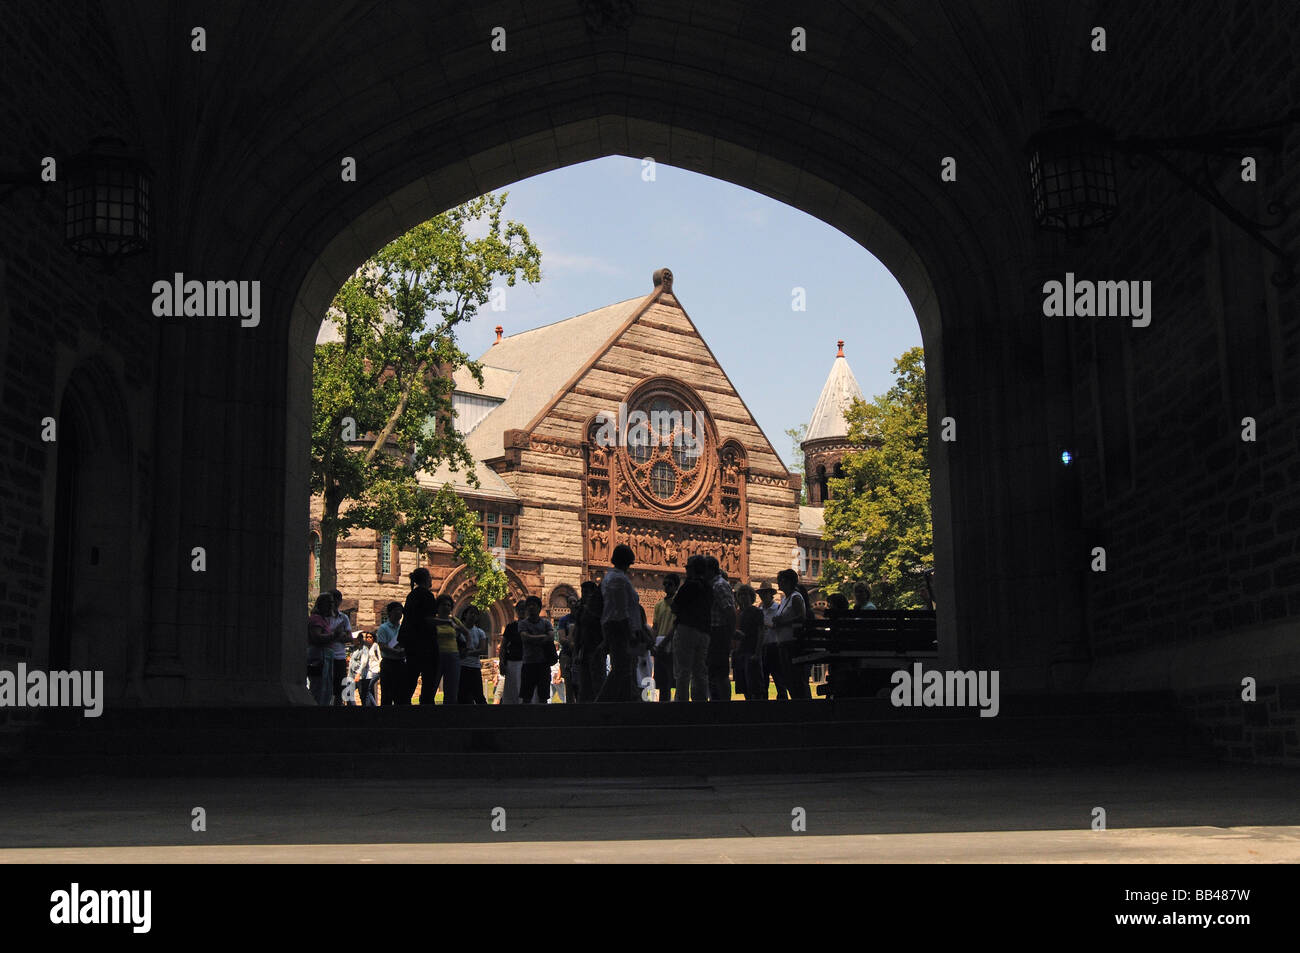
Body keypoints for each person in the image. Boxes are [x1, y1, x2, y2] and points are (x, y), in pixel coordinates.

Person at [596, 544, 640, 702]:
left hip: (614, 626)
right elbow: (620, 609)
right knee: (622, 668)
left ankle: (626, 700)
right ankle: (602, 701)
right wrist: (630, 632)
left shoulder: (611, 577)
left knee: (624, 669)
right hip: (619, 627)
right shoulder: (618, 579)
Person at [669, 556, 711, 702]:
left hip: (687, 629)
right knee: (700, 671)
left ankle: (682, 704)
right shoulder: (709, 587)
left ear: (693, 569)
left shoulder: (690, 585)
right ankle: (700, 702)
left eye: (688, 567)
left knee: (683, 670)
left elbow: (674, 606)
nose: (686, 570)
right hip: (704, 631)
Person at [397, 568, 441, 706]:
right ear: (426, 579)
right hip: (424, 643)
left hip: (411, 643)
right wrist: (447, 622)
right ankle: (425, 706)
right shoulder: (426, 596)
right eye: (429, 577)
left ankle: (403, 705)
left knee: (411, 676)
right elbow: (427, 620)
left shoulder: (412, 595)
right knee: (428, 678)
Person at [765, 569, 808, 700]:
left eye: (780, 580)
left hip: (792, 643)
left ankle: (802, 703)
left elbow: (801, 617)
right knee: (787, 677)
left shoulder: (795, 597)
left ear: (788, 581)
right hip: (782, 642)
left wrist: (783, 623)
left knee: (795, 677)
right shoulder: (785, 599)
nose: (778, 583)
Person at [426, 594, 469, 705]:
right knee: (431, 688)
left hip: (453, 656)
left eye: (449, 605)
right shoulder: (434, 620)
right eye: (443, 605)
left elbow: (467, 634)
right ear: (438, 606)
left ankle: (449, 716)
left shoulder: (454, 620)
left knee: (452, 690)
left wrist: (466, 650)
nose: (446, 607)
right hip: (436, 656)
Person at [704, 556, 736, 701]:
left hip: (720, 632)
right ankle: (716, 702)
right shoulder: (711, 585)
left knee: (721, 672)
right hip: (712, 632)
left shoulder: (719, 585)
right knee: (712, 671)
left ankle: (724, 705)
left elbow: (729, 610)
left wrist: (730, 632)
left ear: (710, 570)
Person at [518, 596, 555, 704]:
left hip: (543, 663)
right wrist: (542, 637)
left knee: (543, 696)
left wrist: (532, 638)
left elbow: (551, 636)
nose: (531, 607)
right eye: (529, 605)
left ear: (539, 608)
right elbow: (524, 638)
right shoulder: (523, 623)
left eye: (533, 605)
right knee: (526, 696)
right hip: (528, 663)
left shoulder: (546, 623)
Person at [573, 582, 605, 703]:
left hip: (596, 649)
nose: (585, 595)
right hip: (584, 650)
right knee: (584, 684)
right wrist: (576, 652)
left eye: (587, 592)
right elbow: (578, 631)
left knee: (597, 682)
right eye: (583, 592)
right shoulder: (581, 610)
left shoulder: (599, 608)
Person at [756, 583, 788, 699]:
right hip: (763, 646)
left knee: (778, 678)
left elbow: (780, 626)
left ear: (771, 594)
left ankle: (782, 702)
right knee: (763, 679)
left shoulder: (778, 608)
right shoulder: (759, 610)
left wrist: (766, 625)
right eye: (761, 593)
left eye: (765, 593)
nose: (763, 596)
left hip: (774, 645)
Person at [734, 585, 766, 701]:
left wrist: (757, 653)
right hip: (740, 652)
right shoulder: (738, 613)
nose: (743, 598)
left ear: (751, 597)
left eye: (746, 595)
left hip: (751, 651)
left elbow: (761, 632)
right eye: (740, 595)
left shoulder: (756, 612)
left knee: (755, 685)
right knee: (744, 686)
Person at [652, 574, 679, 702]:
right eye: (665, 584)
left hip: (672, 645)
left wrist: (665, 642)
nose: (666, 587)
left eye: (670, 584)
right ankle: (663, 704)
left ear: (676, 586)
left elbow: (676, 626)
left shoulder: (678, 604)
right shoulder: (659, 605)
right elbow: (655, 626)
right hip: (659, 645)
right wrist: (653, 643)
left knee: (671, 680)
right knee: (661, 681)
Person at [374, 602, 407, 705]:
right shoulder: (383, 628)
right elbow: (382, 646)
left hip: (400, 663)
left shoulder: (403, 628)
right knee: (387, 694)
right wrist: (396, 652)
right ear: (389, 613)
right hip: (388, 663)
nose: (398, 613)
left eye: (400, 611)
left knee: (400, 694)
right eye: (396, 610)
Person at [307, 594, 336, 706]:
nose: (331, 606)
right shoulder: (316, 619)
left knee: (327, 689)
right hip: (320, 656)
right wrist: (334, 635)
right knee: (319, 688)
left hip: (326, 655)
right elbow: (316, 637)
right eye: (329, 603)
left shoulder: (324, 619)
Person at [497, 600, 527, 704]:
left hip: (527, 662)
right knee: (512, 690)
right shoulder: (511, 627)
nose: (522, 612)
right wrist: (502, 662)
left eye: (524, 609)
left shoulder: (530, 626)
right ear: (516, 611)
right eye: (520, 609)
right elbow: (503, 646)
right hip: (513, 662)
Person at [457, 606, 488, 704]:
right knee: (462, 695)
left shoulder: (480, 632)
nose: (473, 616)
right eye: (471, 613)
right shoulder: (459, 630)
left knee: (478, 695)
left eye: (475, 614)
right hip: (461, 666)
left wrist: (467, 652)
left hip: (474, 666)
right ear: (465, 615)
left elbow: (482, 649)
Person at [328, 589, 352, 706]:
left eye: (336, 600)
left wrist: (337, 636)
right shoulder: (324, 617)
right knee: (326, 685)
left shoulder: (344, 618)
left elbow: (349, 637)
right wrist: (336, 634)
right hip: (327, 655)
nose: (334, 603)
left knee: (339, 687)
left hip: (340, 656)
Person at [350, 631, 382, 706]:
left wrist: (380, 669)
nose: (368, 639)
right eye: (367, 637)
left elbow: (379, 658)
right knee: (368, 691)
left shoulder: (375, 646)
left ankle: (374, 706)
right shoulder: (366, 647)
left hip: (375, 670)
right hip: (369, 672)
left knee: (368, 690)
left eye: (370, 637)